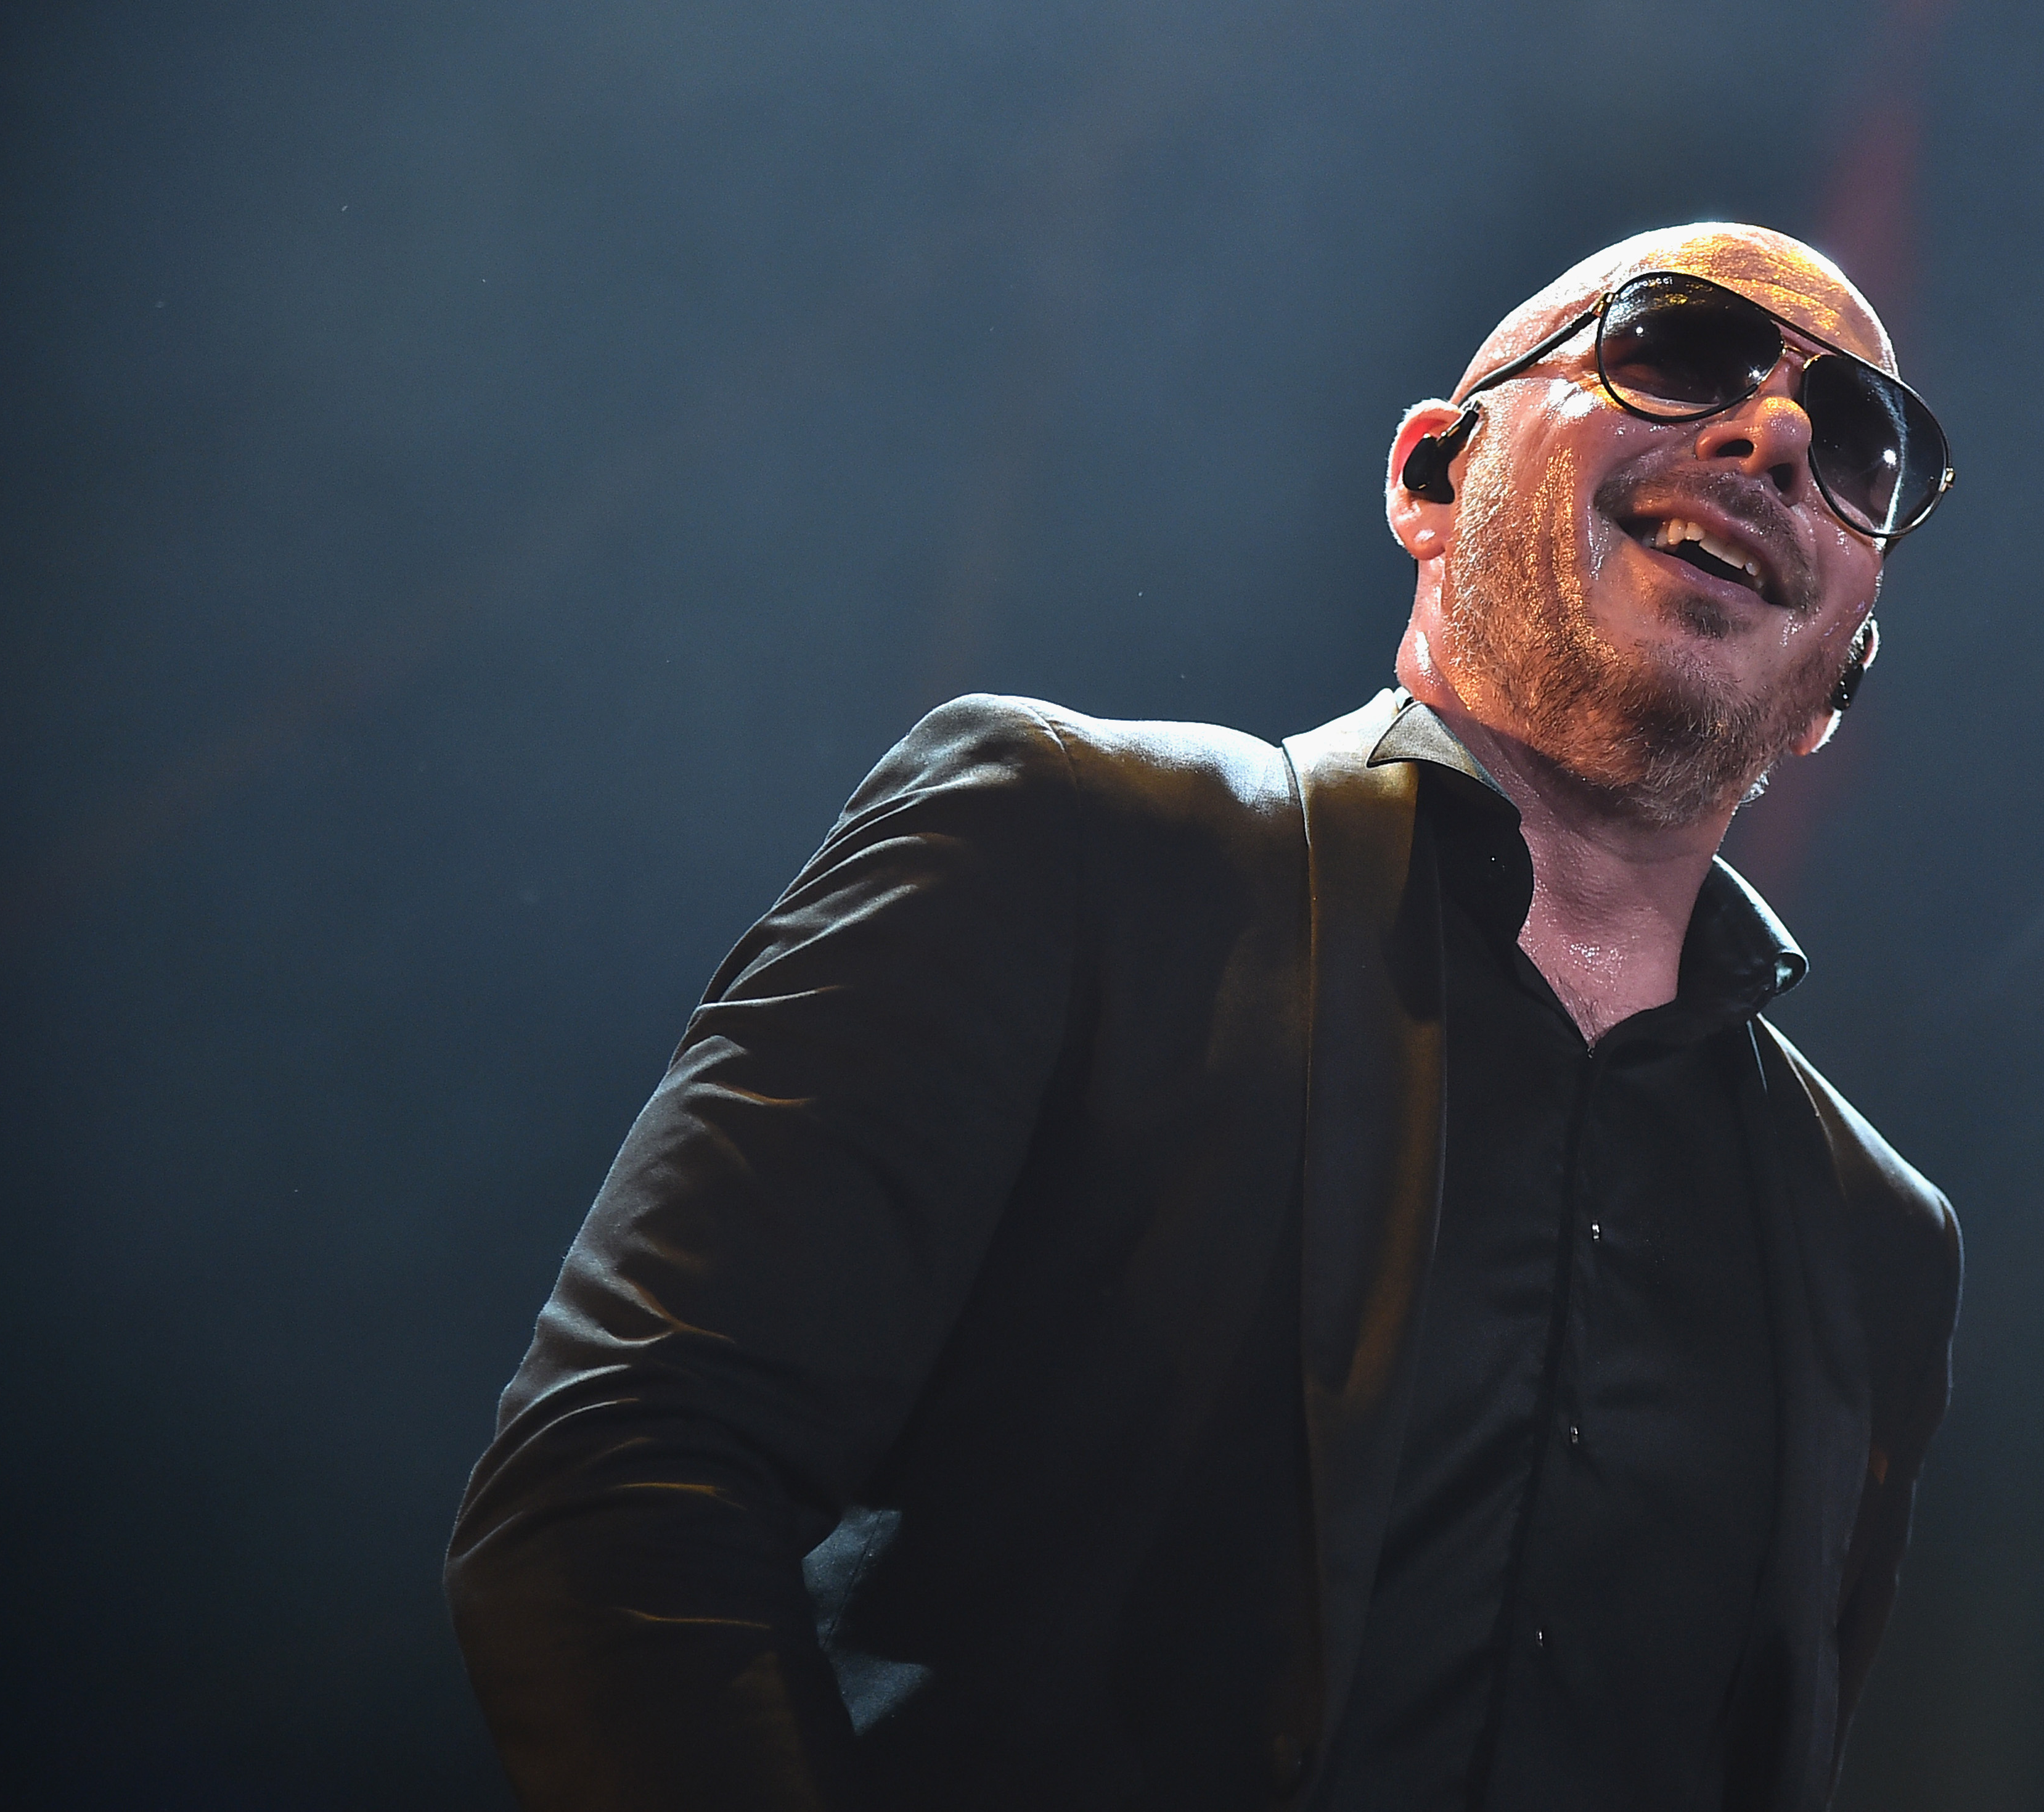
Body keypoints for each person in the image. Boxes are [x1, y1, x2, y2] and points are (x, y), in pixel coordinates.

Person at [447, 221, 1962, 1812]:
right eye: (1677, 348)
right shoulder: (1063, 846)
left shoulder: (1873, 1238)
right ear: (1433, 478)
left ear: (1835, 678)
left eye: (1861, 442)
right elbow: (622, 1486)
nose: (1777, 432)